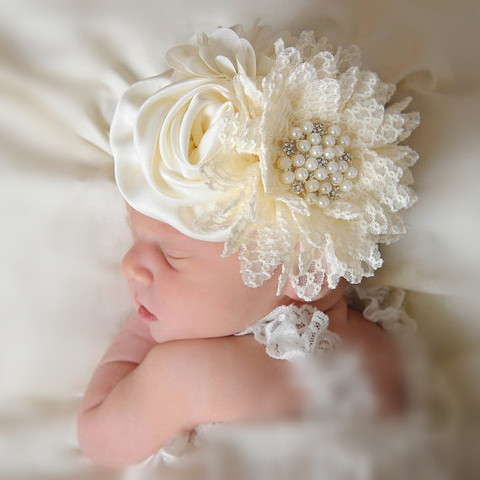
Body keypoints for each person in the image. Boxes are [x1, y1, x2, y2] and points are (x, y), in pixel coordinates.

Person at [76, 20, 453, 479]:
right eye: (136, 241)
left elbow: (98, 434)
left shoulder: (185, 376)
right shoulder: (377, 348)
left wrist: (142, 325)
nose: (130, 266)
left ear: (306, 272)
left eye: (171, 256)